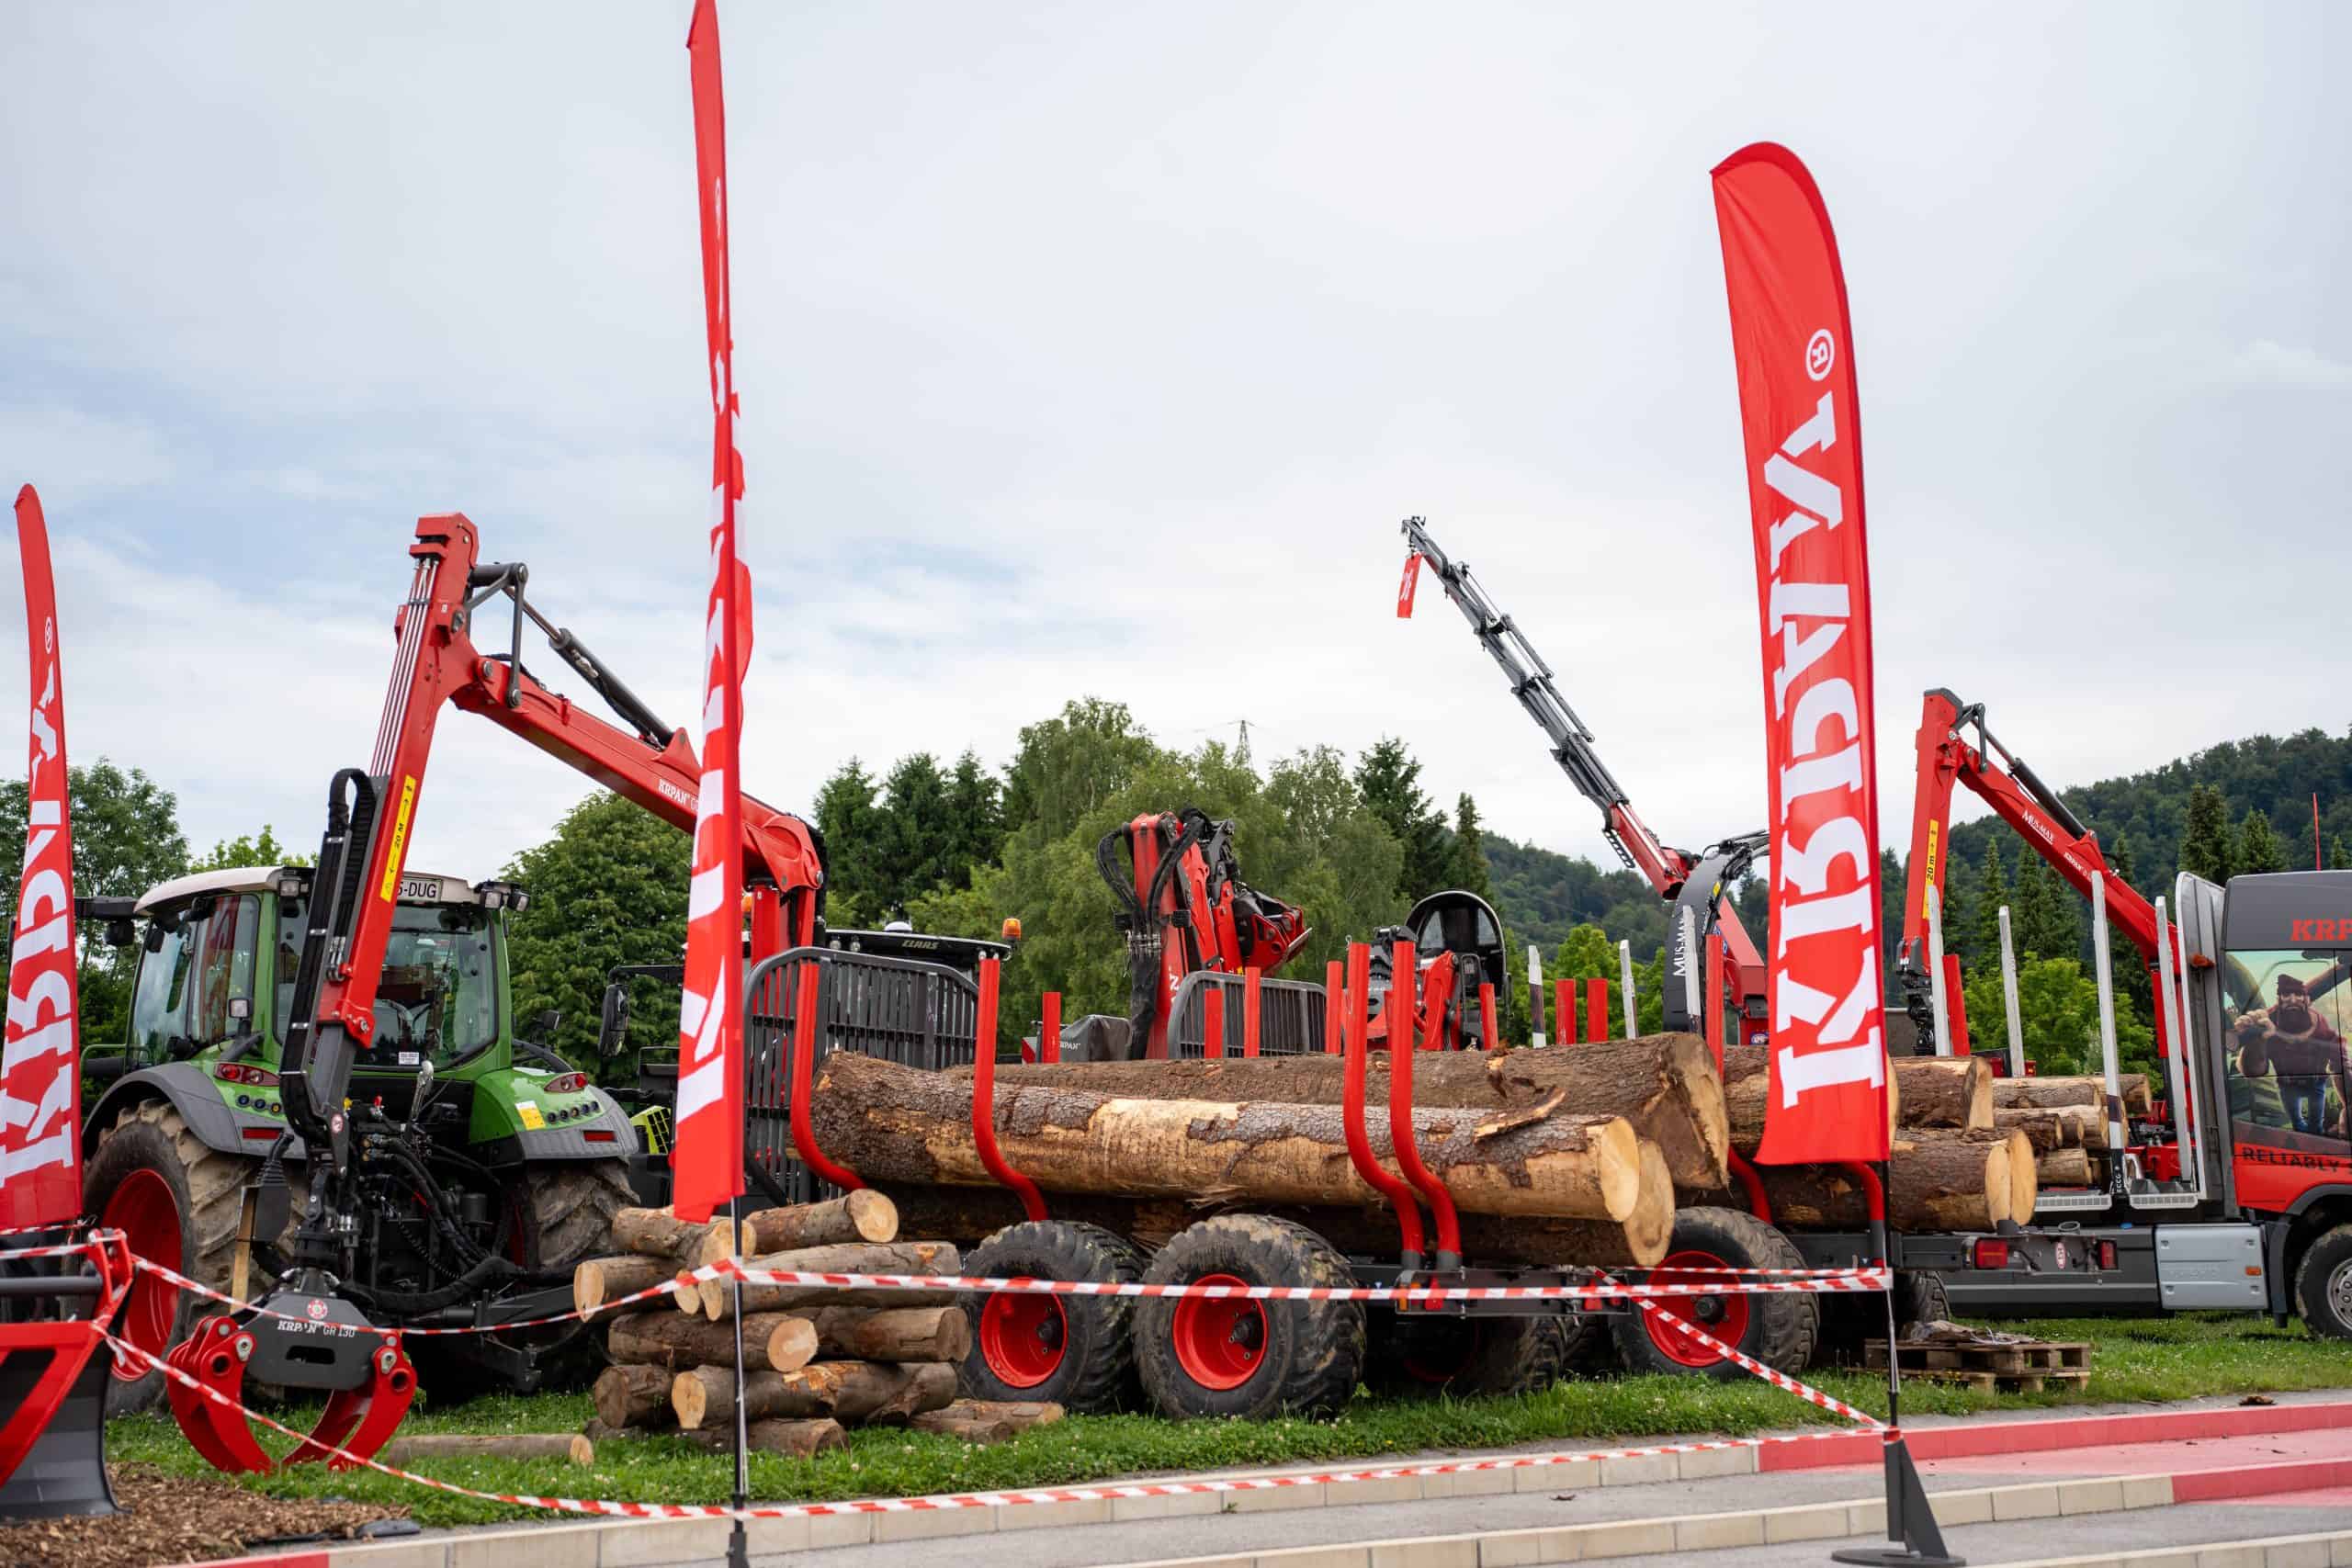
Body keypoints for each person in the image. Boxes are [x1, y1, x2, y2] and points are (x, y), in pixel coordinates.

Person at [2233, 973, 2349, 1139]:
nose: (2293, 1000)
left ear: (2306, 999)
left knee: (2316, 1125)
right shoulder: (2267, 1025)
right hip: (2288, 1086)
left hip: (2316, 1084)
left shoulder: (2321, 1027)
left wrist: (2349, 1104)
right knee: (2297, 1124)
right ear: (2279, 999)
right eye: (2286, 994)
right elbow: (2252, 1070)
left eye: (2298, 994)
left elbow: (2340, 1061)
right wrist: (2256, 1039)